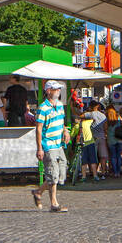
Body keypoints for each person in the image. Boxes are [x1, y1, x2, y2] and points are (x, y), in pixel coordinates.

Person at [31, 80, 70, 212]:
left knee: (61, 172)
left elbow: (62, 122)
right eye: (55, 89)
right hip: (48, 144)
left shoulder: (59, 105)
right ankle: (54, 203)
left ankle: (38, 191)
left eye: (59, 89)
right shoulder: (43, 108)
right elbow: (39, 128)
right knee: (53, 173)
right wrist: (40, 148)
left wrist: (65, 131)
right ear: (48, 91)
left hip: (59, 144)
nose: (58, 91)